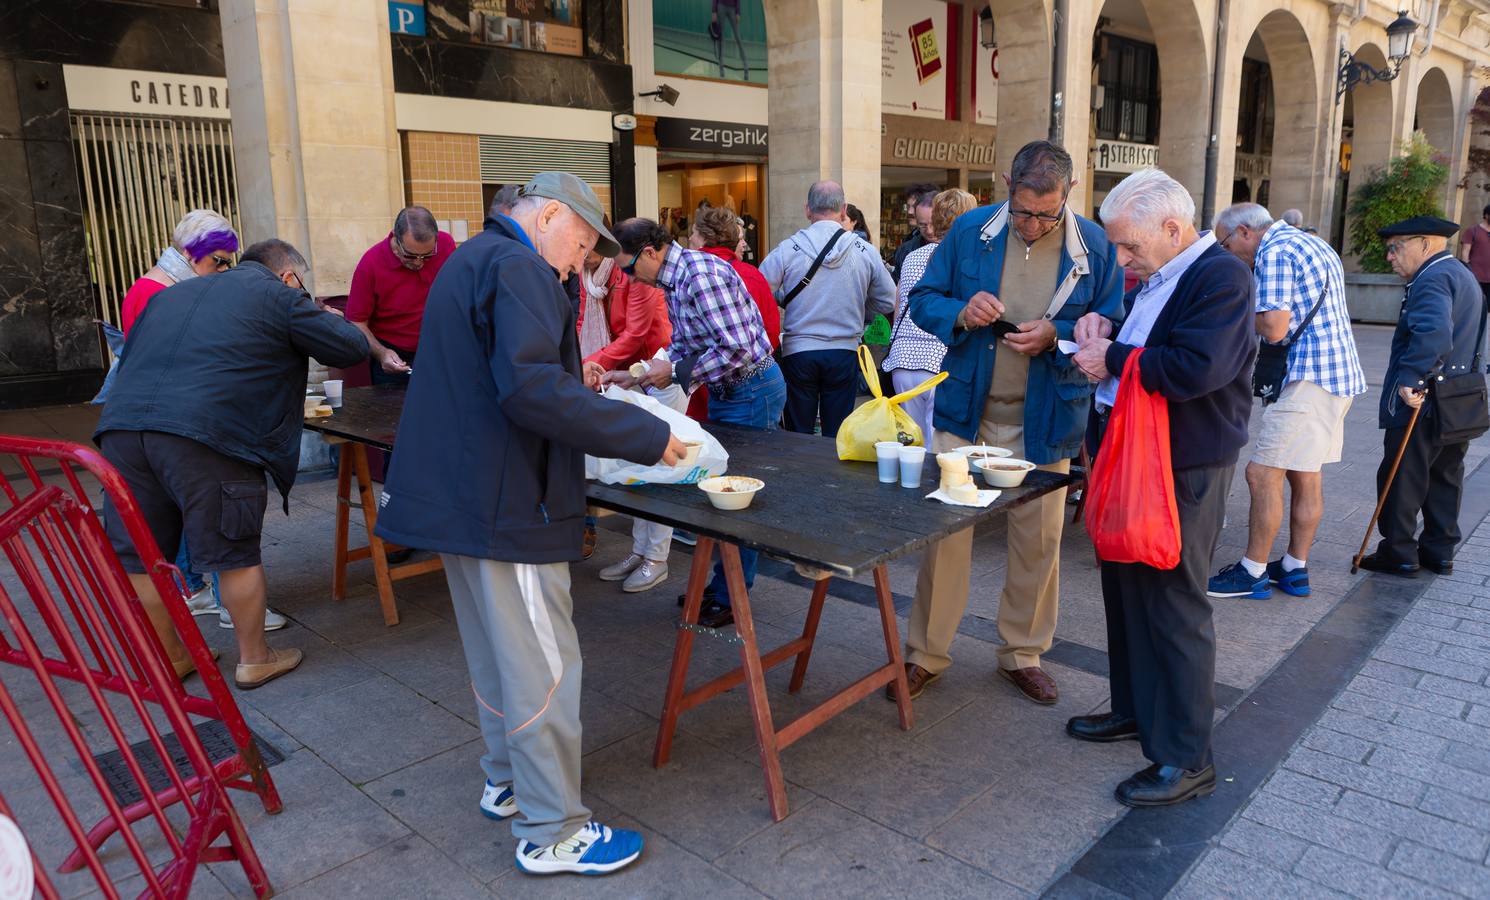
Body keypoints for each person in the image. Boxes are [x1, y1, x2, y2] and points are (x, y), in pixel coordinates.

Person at [375, 174, 685, 877]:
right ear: (550, 216)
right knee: (544, 665)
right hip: (506, 501)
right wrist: (637, 432)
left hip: (464, 498)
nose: (580, 264)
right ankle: (553, 829)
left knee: (496, 657)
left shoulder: (472, 258)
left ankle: (508, 779)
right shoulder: (518, 265)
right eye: (580, 246)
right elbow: (531, 387)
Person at [899, 141, 1126, 705]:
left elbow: (1113, 323)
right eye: (1023, 210)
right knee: (946, 538)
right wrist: (958, 311)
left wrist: (1060, 335)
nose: (1031, 224)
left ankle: (1022, 653)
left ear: (1069, 192)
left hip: (1045, 416)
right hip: (965, 411)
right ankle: (926, 653)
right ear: (1007, 184)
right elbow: (923, 298)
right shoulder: (971, 229)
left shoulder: (1094, 246)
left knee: (1038, 541)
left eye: (1045, 214)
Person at [97, 239, 369, 689]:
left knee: (140, 557)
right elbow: (350, 348)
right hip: (208, 435)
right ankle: (255, 658)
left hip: (122, 433)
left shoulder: (169, 295)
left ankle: (170, 659)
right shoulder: (277, 294)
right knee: (233, 552)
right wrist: (326, 316)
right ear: (288, 276)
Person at [1065, 168, 1256, 808]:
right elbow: (1151, 344)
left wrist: (1111, 358)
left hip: (1182, 463)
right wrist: (1105, 333)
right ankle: (1137, 711)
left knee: (1174, 603)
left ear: (1172, 229)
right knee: (1126, 590)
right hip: (1137, 455)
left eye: (1127, 246)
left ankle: (1185, 755)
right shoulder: (1166, 274)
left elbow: (1194, 369)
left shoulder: (1221, 276)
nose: (1120, 260)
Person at [613, 217, 783, 630]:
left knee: (736, 501)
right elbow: (685, 344)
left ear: (650, 253)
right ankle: (721, 588)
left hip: (751, 391)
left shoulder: (698, 275)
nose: (629, 278)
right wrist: (638, 374)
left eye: (630, 268)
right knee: (719, 494)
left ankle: (729, 597)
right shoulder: (677, 278)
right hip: (734, 392)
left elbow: (738, 349)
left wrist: (673, 373)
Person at [1206, 203, 1366, 599]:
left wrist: (1234, 311)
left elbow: (1274, 328)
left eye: (1225, 244)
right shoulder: (1310, 242)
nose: (1228, 254)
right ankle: (1294, 568)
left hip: (1307, 378)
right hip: (1335, 375)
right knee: (1304, 472)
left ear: (1244, 232)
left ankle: (1252, 571)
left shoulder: (1273, 252)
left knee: (1262, 474)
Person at [116, 209, 241, 618]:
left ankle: (196, 589)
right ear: (190, 254)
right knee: (209, 506)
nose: (223, 270)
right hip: (178, 417)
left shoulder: (162, 285)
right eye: (217, 261)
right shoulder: (162, 292)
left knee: (183, 506)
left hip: (163, 417)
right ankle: (229, 604)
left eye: (228, 262)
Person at [1358, 215, 1487, 577]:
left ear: (1424, 244)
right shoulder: (1461, 274)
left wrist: (1412, 377)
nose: (1390, 256)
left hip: (1426, 399)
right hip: (1458, 397)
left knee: (1403, 475)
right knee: (1446, 475)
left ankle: (1399, 552)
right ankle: (1439, 550)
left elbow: (1434, 333)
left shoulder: (1432, 278)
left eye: (1395, 248)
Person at [577, 230, 679, 592]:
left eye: (585, 250)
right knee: (637, 468)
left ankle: (657, 557)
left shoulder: (635, 274)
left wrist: (579, 364)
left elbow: (635, 335)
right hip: (628, 376)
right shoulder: (591, 276)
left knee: (661, 470)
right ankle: (640, 550)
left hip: (659, 374)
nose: (580, 258)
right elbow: (581, 323)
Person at [758, 180, 895, 438]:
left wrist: (784, 297)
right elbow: (888, 300)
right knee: (838, 433)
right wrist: (861, 308)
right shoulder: (864, 250)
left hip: (799, 351)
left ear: (808, 210)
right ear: (843, 210)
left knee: (799, 432)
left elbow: (759, 290)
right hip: (844, 351)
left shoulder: (788, 248)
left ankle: (800, 476)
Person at [882, 188, 977, 440]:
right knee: (939, 446)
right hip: (940, 361)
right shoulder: (965, 260)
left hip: (903, 359)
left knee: (912, 441)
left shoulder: (912, 257)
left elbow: (899, 302)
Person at [346, 206, 456, 386]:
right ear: (396, 240)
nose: (419, 262)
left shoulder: (446, 245)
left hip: (439, 351)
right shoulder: (371, 263)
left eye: (427, 256)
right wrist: (381, 353)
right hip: (394, 355)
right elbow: (357, 321)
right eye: (410, 256)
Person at [890, 183, 938, 281]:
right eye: (908, 206)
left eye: (915, 206)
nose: (910, 212)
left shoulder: (955, 245)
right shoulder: (906, 248)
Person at [1457, 204, 1490, 313]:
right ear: (1486, 215)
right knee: (1475, 308)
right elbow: (1465, 252)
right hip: (1476, 277)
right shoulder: (1473, 231)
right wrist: (1467, 272)